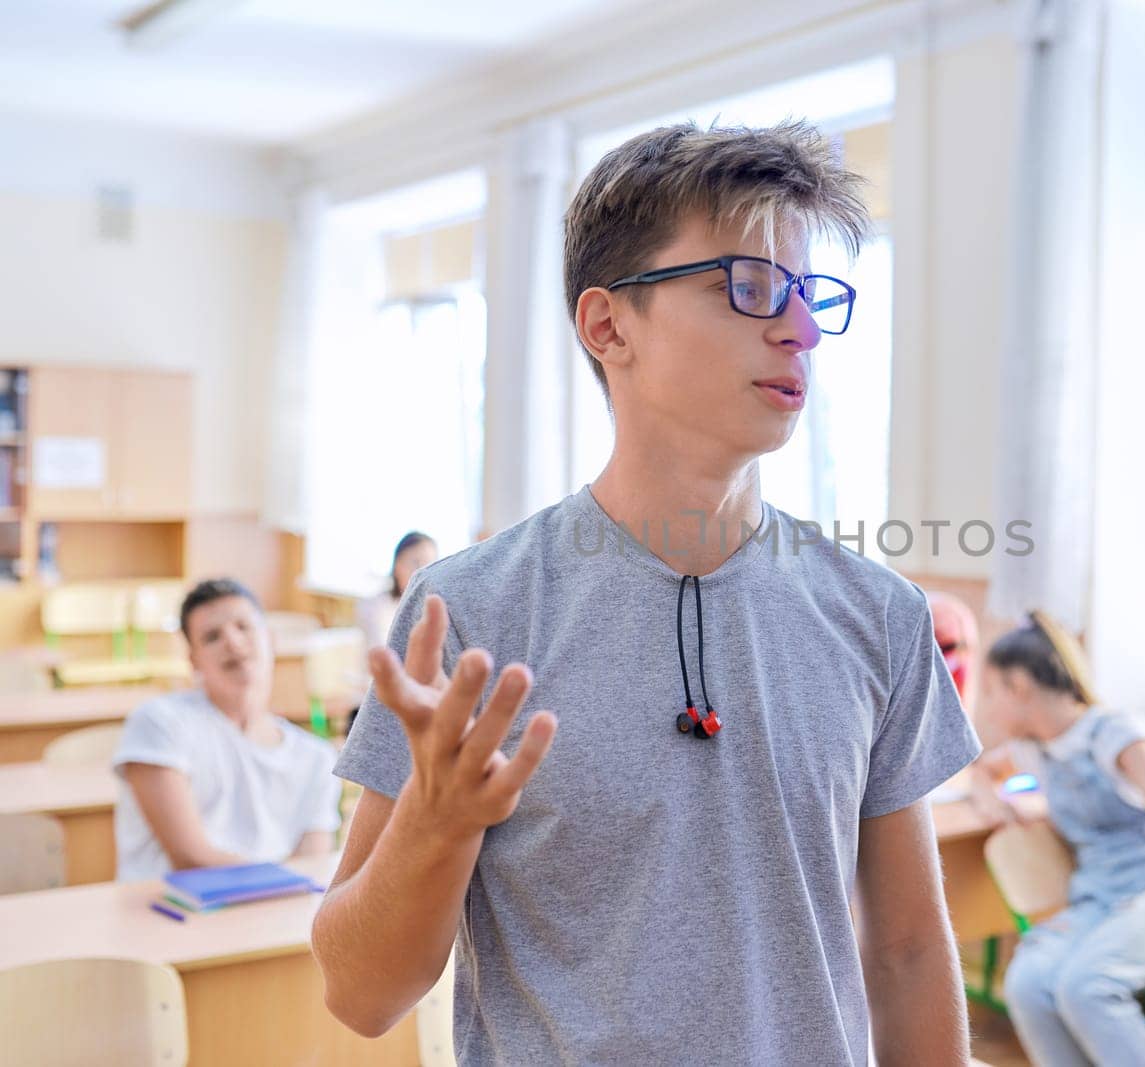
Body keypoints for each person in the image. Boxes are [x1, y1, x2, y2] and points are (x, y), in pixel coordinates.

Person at [312, 121, 982, 1066]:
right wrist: (437, 821)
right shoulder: (470, 613)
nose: (798, 330)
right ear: (607, 323)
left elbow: (909, 952)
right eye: (748, 286)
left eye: (808, 295)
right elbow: (360, 993)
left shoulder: (879, 614)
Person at [970, 610, 1145, 1066]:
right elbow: (983, 771)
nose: (988, 705)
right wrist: (995, 801)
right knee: (1028, 982)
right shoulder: (1034, 747)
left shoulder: (1114, 735)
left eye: (991, 690)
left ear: (1019, 687)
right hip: (1100, 900)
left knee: (1086, 986)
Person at [111, 578, 342, 881]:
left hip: (275, 916)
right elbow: (190, 858)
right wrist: (284, 881)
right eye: (211, 637)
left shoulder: (317, 758)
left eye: (243, 627)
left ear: (270, 640)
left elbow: (313, 865)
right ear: (193, 661)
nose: (232, 642)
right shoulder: (159, 723)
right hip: (173, 917)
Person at [357, 531, 438, 652]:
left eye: (430, 565)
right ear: (397, 565)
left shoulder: (437, 611)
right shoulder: (374, 607)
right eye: (415, 563)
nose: (421, 574)